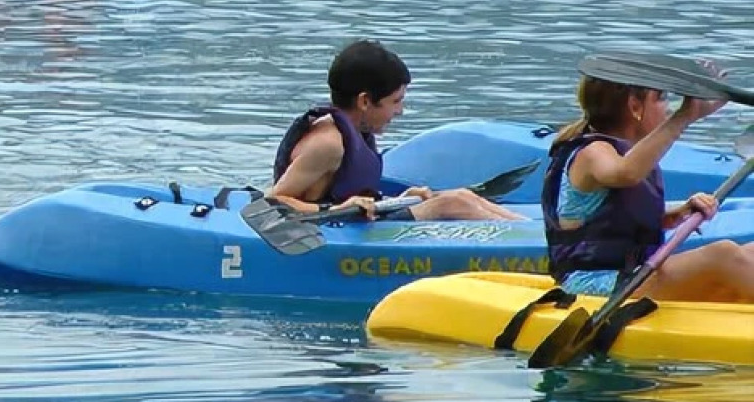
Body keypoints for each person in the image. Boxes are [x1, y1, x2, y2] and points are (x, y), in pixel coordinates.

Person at [543, 70, 754, 303]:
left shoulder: (627, 152)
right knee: (721, 254)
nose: (668, 109)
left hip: (635, 274)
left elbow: (614, 224)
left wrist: (677, 214)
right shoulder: (594, 152)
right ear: (635, 106)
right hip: (597, 285)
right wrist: (684, 117)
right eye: (661, 98)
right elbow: (625, 173)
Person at [267, 39, 524, 221]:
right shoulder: (328, 144)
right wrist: (333, 212)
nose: (400, 111)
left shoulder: (353, 130)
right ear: (365, 101)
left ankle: (530, 230)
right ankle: (537, 248)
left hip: (354, 219)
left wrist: (399, 199)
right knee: (452, 204)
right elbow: (275, 201)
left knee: (462, 195)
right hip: (333, 230)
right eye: (395, 101)